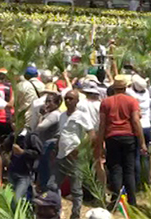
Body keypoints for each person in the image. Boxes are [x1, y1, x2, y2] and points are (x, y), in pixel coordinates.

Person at [97, 78, 147, 206]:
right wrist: (142, 142)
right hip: (128, 136)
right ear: (125, 88)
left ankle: (116, 200)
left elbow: (102, 124)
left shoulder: (105, 102)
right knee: (129, 170)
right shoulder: (132, 101)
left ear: (113, 88)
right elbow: (136, 121)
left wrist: (100, 144)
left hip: (111, 137)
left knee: (115, 169)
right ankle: (132, 201)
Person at [50, 90, 94, 219]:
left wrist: (80, 150)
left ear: (77, 101)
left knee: (76, 189)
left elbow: (92, 135)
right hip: (61, 155)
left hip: (75, 156)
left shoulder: (81, 115)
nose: (68, 101)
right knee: (53, 185)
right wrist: (56, 148)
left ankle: (75, 215)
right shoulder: (62, 116)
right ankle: (55, 212)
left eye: (71, 98)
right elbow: (61, 133)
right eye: (66, 98)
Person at [2, 120, 43, 203]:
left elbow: (38, 153)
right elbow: (4, 148)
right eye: (12, 122)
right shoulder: (13, 136)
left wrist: (23, 152)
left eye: (15, 122)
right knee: (13, 197)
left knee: (17, 199)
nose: (13, 125)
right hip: (12, 172)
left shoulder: (31, 137)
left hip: (24, 174)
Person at [127, 74, 151, 186]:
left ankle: (136, 182)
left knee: (135, 155)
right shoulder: (147, 93)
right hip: (148, 125)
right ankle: (145, 180)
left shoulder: (130, 93)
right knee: (145, 155)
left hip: (137, 126)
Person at [36, 91, 62, 192]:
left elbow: (40, 127)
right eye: (46, 101)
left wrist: (40, 116)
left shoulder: (54, 114)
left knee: (46, 168)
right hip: (47, 143)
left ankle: (45, 189)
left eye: (50, 102)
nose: (46, 104)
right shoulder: (51, 114)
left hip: (50, 144)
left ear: (56, 104)